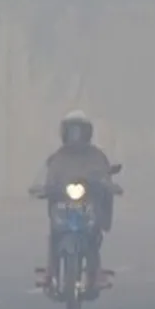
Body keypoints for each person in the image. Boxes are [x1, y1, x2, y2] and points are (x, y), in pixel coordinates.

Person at [28, 111, 122, 289]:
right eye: (72, 131)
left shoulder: (97, 156)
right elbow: (47, 177)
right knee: (55, 234)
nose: (75, 136)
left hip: (89, 205)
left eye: (79, 131)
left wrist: (109, 185)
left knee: (94, 235)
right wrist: (40, 187)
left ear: (87, 133)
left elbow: (105, 175)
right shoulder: (58, 156)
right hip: (63, 204)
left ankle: (97, 271)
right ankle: (51, 271)